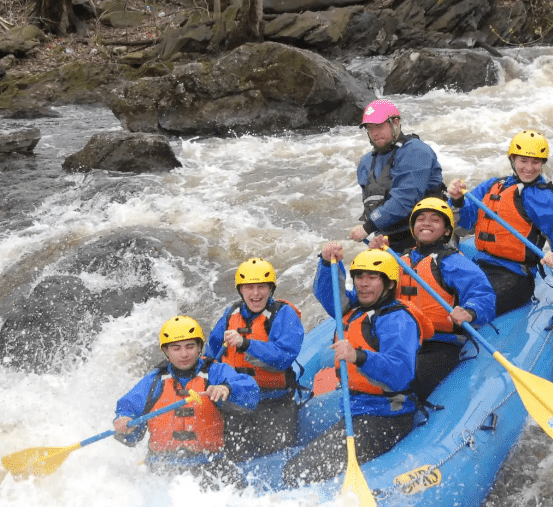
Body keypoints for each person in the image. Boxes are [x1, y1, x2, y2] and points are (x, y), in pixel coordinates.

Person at [282, 246, 422, 487]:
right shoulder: (358, 308)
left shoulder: (397, 320)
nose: (364, 284)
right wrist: (327, 264)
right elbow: (330, 295)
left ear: (389, 284)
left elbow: (400, 373)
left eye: (372, 277)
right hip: (359, 409)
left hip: (387, 416)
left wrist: (358, 356)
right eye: (359, 277)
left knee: (299, 473)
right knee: (295, 470)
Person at [114, 315, 260, 488]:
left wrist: (227, 388)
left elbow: (250, 391)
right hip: (162, 467)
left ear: (199, 347)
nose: (184, 354)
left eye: (190, 346)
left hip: (210, 464)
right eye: (176, 348)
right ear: (166, 351)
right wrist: (123, 421)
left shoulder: (215, 372)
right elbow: (128, 410)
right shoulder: (154, 381)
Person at [448, 129, 553, 316]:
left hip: (515, 276)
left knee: (469, 306)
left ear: (543, 163)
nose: (529, 168)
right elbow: (463, 221)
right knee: (444, 295)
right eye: (523, 161)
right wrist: (456, 200)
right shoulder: (493, 186)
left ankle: (468, 321)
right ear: (512, 160)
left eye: (535, 162)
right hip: (481, 265)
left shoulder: (543, 197)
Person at [395, 197, 496, 401]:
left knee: (404, 383)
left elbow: (483, 294)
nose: (426, 223)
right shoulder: (399, 260)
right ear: (413, 228)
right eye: (421, 219)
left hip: (440, 344)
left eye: (435, 220)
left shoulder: (454, 263)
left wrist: (469, 312)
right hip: (402, 338)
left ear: (447, 231)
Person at [205, 257, 305, 462]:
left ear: (271, 289)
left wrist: (246, 344)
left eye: (262, 287)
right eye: (249, 287)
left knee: (274, 458)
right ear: (241, 290)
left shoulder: (283, 314)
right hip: (238, 401)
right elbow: (210, 355)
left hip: (274, 401)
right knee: (234, 458)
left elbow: (284, 356)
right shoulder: (231, 314)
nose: (256, 294)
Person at [348, 99, 446, 253]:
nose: (375, 132)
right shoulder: (366, 162)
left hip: (423, 237)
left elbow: (405, 199)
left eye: (379, 126)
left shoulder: (416, 151)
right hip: (387, 239)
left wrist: (368, 227)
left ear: (395, 123)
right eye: (370, 128)